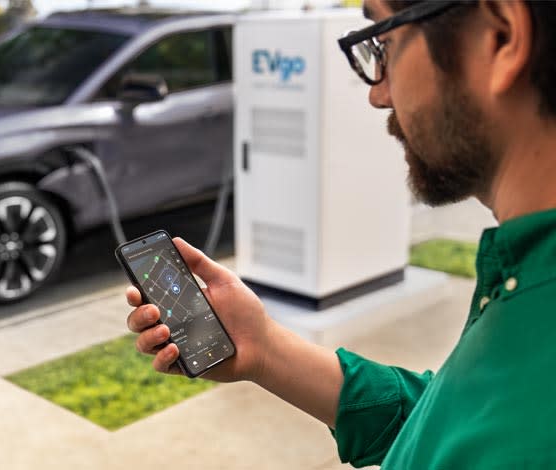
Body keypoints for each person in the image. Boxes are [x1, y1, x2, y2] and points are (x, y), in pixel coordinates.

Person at [125, 0, 556, 467]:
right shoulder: (525, 286)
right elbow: (449, 421)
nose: (378, 94)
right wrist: (265, 349)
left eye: (384, 44)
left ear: (501, 37)